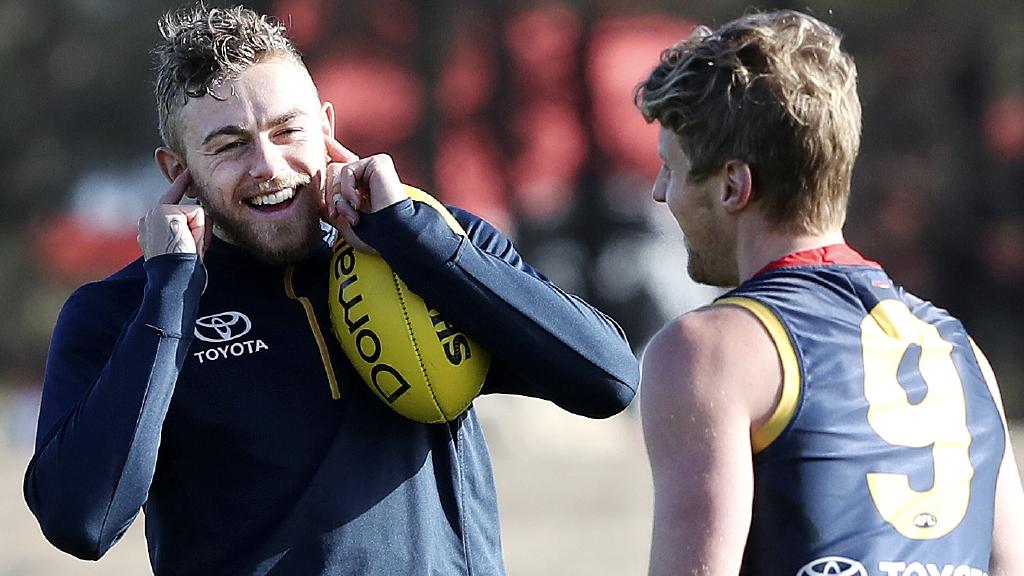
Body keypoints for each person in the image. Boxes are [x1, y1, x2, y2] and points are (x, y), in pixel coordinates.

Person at [23, 4, 639, 575]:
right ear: (174, 171)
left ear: (327, 127)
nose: (267, 165)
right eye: (230, 145)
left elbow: (606, 378)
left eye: (287, 131)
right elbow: (82, 521)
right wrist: (168, 299)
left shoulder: (431, 247)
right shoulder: (118, 312)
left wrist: (412, 240)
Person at [635, 9, 1024, 576]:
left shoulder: (709, 352)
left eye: (671, 168)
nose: (658, 192)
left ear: (733, 184)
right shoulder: (963, 356)